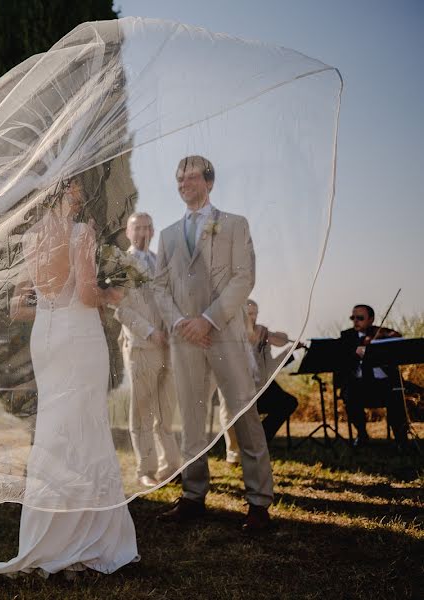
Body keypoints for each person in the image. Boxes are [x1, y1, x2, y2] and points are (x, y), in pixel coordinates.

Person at [0, 178, 139, 580]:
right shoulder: (80, 233)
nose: (81, 194)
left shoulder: (31, 239)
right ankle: (86, 541)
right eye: (77, 188)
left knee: (56, 429)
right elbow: (89, 296)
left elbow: (19, 305)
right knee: (85, 428)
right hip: (79, 335)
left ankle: (53, 536)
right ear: (66, 191)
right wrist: (115, 291)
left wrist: (53, 301)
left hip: (47, 337)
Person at [153, 156, 274, 532]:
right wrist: (179, 322)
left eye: (190, 177)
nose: (183, 183)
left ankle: (258, 502)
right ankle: (193, 495)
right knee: (191, 417)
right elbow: (158, 286)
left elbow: (244, 278)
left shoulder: (235, 225)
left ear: (209, 182)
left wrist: (208, 319)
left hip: (225, 334)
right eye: (178, 178)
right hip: (184, 338)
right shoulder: (168, 234)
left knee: (243, 415)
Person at [114, 212, 181, 487]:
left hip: (171, 346)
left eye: (146, 227)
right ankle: (146, 470)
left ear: (153, 231)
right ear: (128, 233)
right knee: (143, 411)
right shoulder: (121, 264)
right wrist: (151, 332)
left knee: (166, 408)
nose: (142, 232)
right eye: (136, 228)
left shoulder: (161, 262)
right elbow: (120, 309)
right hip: (143, 344)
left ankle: (172, 466)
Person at [337, 304, 408, 449]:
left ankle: (401, 439)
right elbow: (344, 363)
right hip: (358, 383)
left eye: (360, 318)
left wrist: (382, 337)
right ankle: (362, 434)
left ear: (371, 319)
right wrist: (361, 348)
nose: (356, 321)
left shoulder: (379, 333)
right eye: (353, 318)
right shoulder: (347, 336)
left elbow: (397, 337)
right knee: (349, 394)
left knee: (396, 393)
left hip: (383, 383)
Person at [245, 299, 299, 443]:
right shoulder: (232, 336)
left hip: (261, 385)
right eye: (249, 314)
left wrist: (289, 351)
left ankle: (261, 436)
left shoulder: (262, 337)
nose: (253, 318)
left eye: (255, 314)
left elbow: (271, 367)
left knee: (289, 402)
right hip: (241, 388)